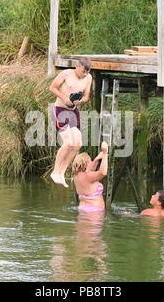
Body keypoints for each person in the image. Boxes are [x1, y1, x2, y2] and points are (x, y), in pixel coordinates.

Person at [49, 58, 92, 188]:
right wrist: (65, 98)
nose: (85, 74)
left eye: (87, 72)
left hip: (74, 112)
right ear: (76, 66)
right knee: (68, 143)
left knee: (77, 144)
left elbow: (86, 96)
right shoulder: (66, 74)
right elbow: (52, 87)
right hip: (60, 110)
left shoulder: (88, 78)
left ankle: (61, 173)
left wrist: (81, 101)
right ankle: (55, 172)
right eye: (83, 71)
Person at [72, 142, 108, 212]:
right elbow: (103, 173)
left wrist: (97, 159)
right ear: (86, 164)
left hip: (82, 208)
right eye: (90, 161)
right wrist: (105, 153)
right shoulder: (88, 176)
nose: (92, 162)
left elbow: (90, 169)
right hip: (94, 210)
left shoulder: (76, 176)